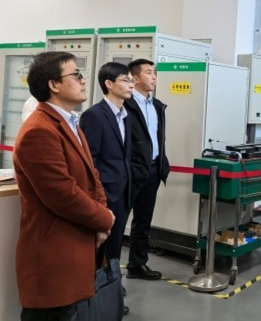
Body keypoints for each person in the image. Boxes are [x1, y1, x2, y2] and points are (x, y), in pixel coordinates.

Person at [13, 51, 115, 320]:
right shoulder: (39, 130)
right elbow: (62, 194)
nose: (83, 80)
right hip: (53, 258)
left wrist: (101, 221)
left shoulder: (69, 123)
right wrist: (104, 219)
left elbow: (92, 176)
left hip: (76, 248)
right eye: (76, 74)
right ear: (54, 84)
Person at [80, 62, 133, 317]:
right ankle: (93, 298)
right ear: (109, 84)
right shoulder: (94, 115)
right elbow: (90, 162)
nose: (131, 84)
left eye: (132, 80)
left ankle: (110, 293)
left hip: (123, 191)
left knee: (114, 247)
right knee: (98, 249)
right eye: (126, 80)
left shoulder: (125, 114)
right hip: (104, 194)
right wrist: (97, 200)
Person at [124, 59, 169, 280]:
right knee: (117, 222)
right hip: (130, 172)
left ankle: (137, 265)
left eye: (155, 73)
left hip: (152, 170)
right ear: (135, 78)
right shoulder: (125, 104)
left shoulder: (157, 106)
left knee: (143, 222)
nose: (154, 77)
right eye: (149, 72)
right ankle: (106, 274)